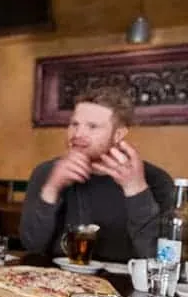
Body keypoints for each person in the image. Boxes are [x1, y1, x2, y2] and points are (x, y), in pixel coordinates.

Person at [20, 87, 173, 261]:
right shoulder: (46, 172)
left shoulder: (156, 180)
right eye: (74, 124)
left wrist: (136, 189)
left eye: (92, 127)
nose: (77, 134)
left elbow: (159, 259)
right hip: (53, 283)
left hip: (122, 285)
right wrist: (51, 189)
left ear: (118, 134)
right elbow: (32, 246)